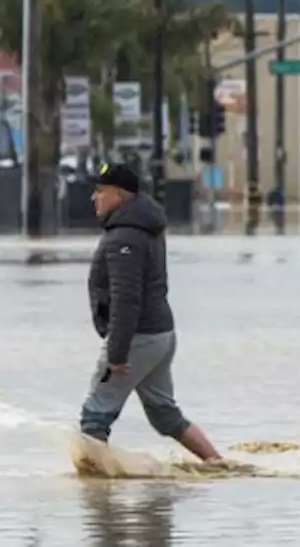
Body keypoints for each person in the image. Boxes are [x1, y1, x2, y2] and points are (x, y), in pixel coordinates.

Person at [79, 162, 221, 462]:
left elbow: (126, 298)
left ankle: (94, 495)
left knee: (95, 415)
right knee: (165, 416)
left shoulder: (124, 237)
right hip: (160, 335)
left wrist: (117, 352)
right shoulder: (143, 226)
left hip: (137, 338)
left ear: (120, 195)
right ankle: (219, 465)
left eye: (101, 191)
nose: (95, 198)